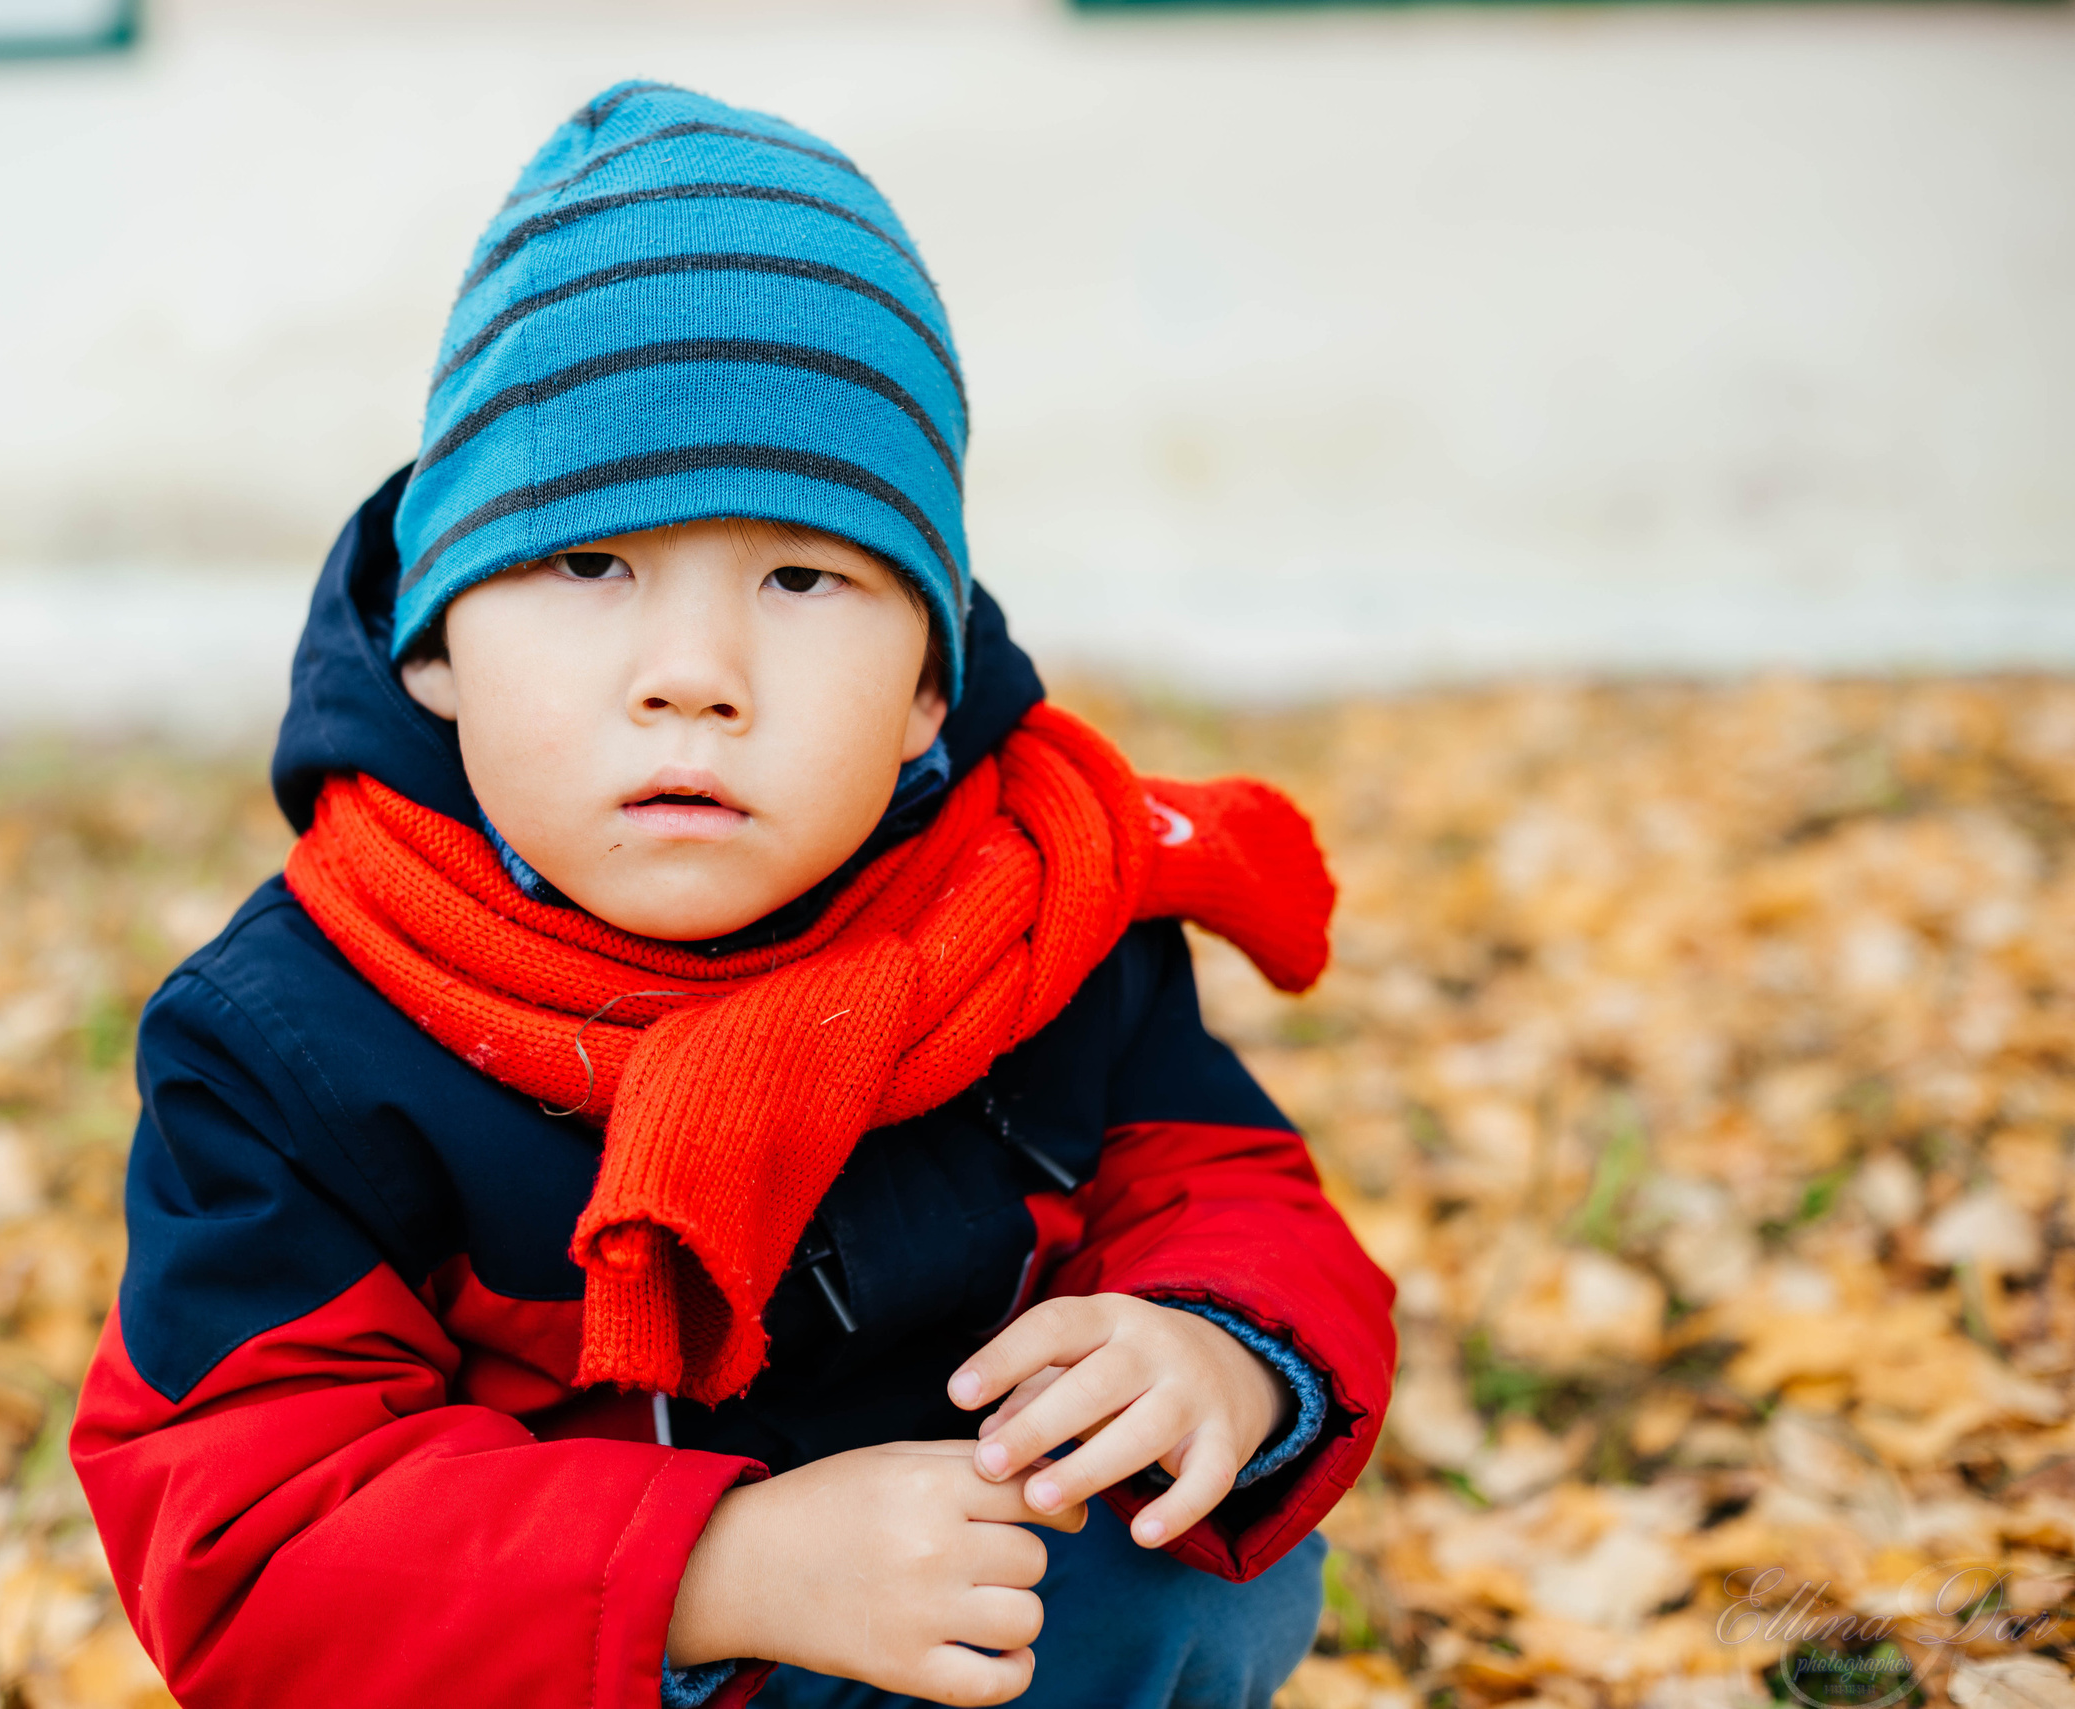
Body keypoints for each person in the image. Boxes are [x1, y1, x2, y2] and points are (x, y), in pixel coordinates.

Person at [69, 81, 1394, 1709]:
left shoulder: (1030, 912)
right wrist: (717, 1568)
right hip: (579, 1659)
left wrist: (1220, 1348)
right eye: (586, 565)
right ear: (434, 650)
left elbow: (1227, 1179)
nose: (694, 675)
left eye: (801, 576)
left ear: (928, 682)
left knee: (1176, 1539)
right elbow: (253, 1524)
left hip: (971, 1613)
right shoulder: (302, 1038)